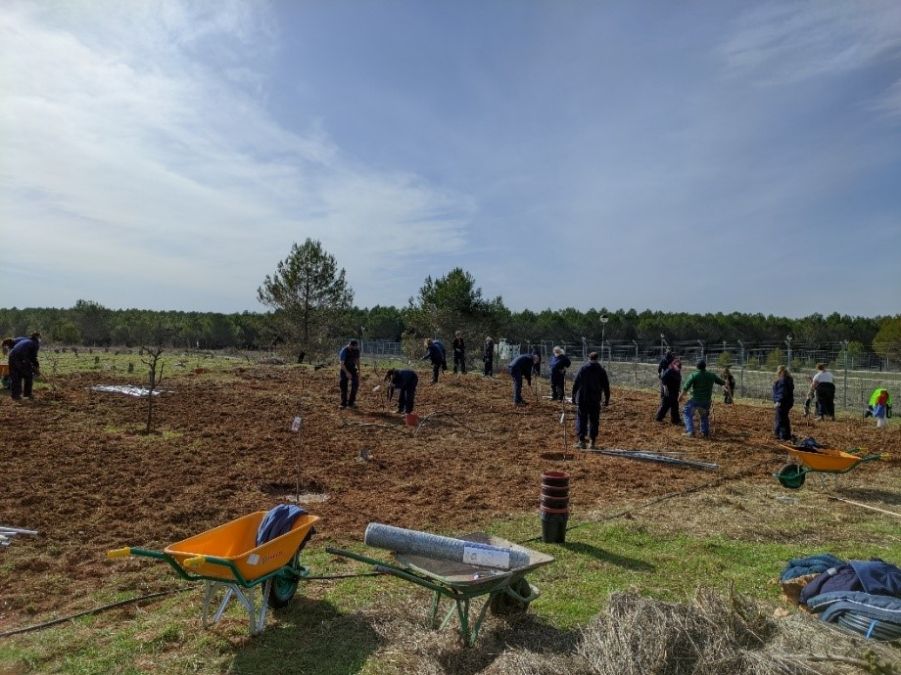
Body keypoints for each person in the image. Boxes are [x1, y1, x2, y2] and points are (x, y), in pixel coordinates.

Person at [571, 352, 610, 449]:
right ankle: (592, 442)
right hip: (595, 399)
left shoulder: (583, 369)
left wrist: (573, 396)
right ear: (597, 359)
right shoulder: (601, 370)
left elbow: (576, 383)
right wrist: (606, 399)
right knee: (594, 420)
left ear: (589, 358)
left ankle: (581, 441)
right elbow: (606, 386)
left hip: (583, 399)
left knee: (581, 419)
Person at [679, 360, 725, 438]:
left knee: (687, 413)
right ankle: (705, 432)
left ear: (697, 367)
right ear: (705, 366)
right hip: (706, 401)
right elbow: (722, 383)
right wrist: (726, 387)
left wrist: (680, 397)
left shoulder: (694, 375)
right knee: (704, 415)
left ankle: (690, 431)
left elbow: (685, 388)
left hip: (695, 400)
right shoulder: (711, 375)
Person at [7, 334, 40, 401]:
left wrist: (34, 366)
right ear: (37, 339)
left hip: (12, 357)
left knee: (16, 376)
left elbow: (29, 356)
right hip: (20, 358)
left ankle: (15, 395)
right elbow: (33, 357)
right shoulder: (35, 344)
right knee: (28, 375)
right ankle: (28, 394)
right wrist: (36, 367)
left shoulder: (26, 340)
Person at [656, 358, 682, 424]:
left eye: (680, 367)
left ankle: (675, 420)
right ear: (673, 365)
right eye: (678, 366)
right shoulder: (669, 371)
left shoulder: (678, 372)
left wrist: (679, 388)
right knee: (666, 404)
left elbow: (678, 381)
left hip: (674, 391)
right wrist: (665, 388)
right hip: (667, 390)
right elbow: (663, 379)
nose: (679, 368)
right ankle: (659, 417)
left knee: (675, 405)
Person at [772, 365, 795, 440]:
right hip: (788, 402)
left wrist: (778, 401)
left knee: (780, 418)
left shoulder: (783, 380)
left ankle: (782, 435)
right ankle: (784, 434)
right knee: (784, 418)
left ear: (780, 371)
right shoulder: (789, 379)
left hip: (782, 402)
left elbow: (782, 392)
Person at [338, 339, 360, 409]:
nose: (355, 348)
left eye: (356, 347)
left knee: (355, 384)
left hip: (352, 369)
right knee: (343, 386)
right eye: (354, 347)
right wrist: (347, 373)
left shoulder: (356, 350)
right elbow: (341, 364)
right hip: (344, 369)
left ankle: (351, 402)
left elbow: (357, 360)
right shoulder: (344, 351)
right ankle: (343, 403)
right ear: (350, 345)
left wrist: (359, 370)